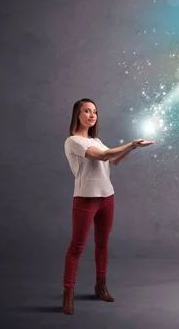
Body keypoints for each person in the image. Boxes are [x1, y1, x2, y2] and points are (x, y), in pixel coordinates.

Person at [61, 98, 155, 315]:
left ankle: (100, 287)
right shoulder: (73, 141)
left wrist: (134, 148)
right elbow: (103, 155)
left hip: (107, 197)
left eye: (94, 111)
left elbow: (113, 160)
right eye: (86, 111)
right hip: (86, 198)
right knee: (77, 247)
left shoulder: (96, 139)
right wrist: (131, 143)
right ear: (77, 114)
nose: (92, 115)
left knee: (102, 243)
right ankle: (68, 293)